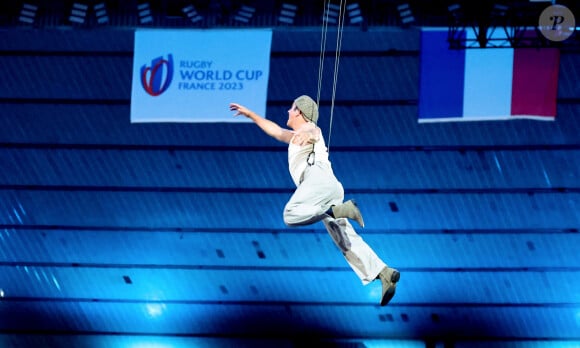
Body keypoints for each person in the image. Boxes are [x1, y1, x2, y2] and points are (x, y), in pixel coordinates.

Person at [229, 95, 400, 306]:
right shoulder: (294, 136)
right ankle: (384, 273)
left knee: (290, 215)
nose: (288, 112)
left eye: (292, 108)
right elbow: (274, 130)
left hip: (315, 179)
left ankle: (335, 211)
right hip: (329, 188)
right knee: (345, 240)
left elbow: (312, 130)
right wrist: (250, 114)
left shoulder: (310, 130)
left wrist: (305, 131)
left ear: (300, 112)